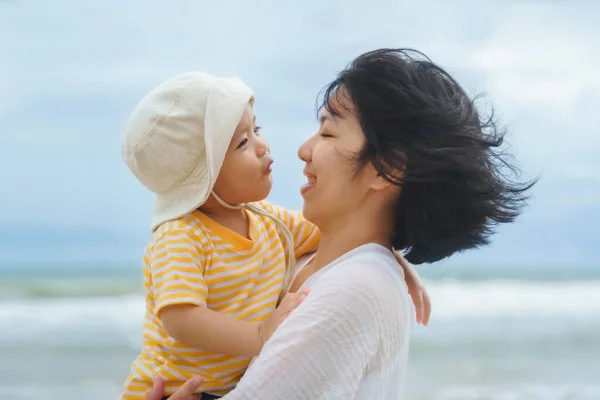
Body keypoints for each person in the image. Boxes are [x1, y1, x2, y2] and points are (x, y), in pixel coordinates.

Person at [147, 47, 534, 399]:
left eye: (328, 131)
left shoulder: (355, 287)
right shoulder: (308, 258)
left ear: (387, 169)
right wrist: (399, 257)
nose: (303, 150)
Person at [119, 71, 430, 399]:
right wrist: (260, 333)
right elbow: (181, 319)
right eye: (242, 143)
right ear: (201, 179)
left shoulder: (269, 221)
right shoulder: (180, 236)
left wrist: (395, 260)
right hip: (166, 389)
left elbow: (351, 237)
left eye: (256, 130)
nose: (262, 145)